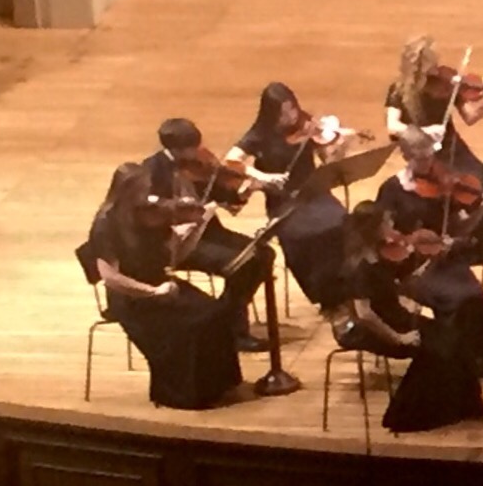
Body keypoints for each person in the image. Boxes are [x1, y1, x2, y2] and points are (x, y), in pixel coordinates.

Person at [80, 163, 244, 409]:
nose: (147, 195)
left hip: (160, 281)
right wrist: (152, 292)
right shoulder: (106, 224)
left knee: (217, 312)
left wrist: (197, 228)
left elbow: (174, 258)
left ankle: (218, 385)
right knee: (192, 325)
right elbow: (111, 277)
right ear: (124, 191)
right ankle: (185, 394)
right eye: (141, 189)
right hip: (131, 297)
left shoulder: (149, 214)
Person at [331, 201, 483, 432]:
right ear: (375, 227)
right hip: (374, 329)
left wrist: (425, 265)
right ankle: (409, 415)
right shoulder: (361, 266)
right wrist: (399, 338)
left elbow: (397, 285)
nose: (392, 226)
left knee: (455, 337)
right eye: (387, 222)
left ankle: (464, 406)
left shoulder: (377, 254)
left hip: (396, 316)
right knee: (438, 349)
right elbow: (365, 314)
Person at [372, 128, 483, 379]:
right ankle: (452, 361)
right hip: (411, 265)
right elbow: (382, 233)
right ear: (405, 156)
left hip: (444, 258)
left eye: (430, 156)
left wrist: (480, 212)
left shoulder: (444, 183)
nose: (429, 163)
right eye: (421, 158)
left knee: (477, 295)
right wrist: (410, 242)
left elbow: (458, 228)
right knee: (454, 301)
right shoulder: (392, 190)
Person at [140, 117, 272, 352]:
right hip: (179, 242)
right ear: (175, 149)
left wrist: (243, 190)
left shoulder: (200, 163)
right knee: (241, 265)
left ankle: (225, 317)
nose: (196, 153)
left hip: (208, 232)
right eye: (191, 148)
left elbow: (222, 192)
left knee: (264, 254)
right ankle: (235, 330)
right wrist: (180, 206)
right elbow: (150, 210)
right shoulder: (152, 170)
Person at [222, 83, 352, 310]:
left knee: (342, 222)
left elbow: (328, 160)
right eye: (283, 112)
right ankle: (322, 294)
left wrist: (338, 148)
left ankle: (345, 287)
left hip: (315, 192)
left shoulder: (306, 124)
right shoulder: (259, 135)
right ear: (271, 113)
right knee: (301, 236)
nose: (291, 116)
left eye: (292, 108)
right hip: (284, 202)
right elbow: (231, 161)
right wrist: (263, 175)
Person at [384, 34, 483, 176]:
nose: (437, 67)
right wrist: (424, 132)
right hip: (419, 149)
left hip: (450, 146)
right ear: (420, 66)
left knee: (478, 174)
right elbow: (393, 126)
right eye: (432, 63)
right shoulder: (399, 89)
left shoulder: (445, 84)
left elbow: (470, 117)